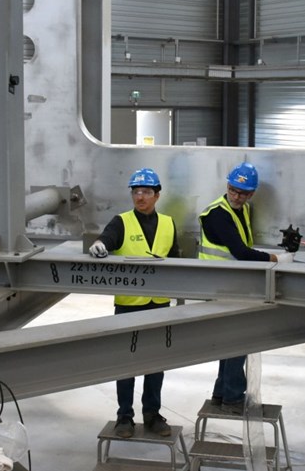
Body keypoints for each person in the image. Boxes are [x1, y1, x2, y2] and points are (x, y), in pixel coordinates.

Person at [89, 167, 179, 438]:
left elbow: (175, 260)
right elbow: (108, 239)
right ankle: (124, 417)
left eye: (146, 192)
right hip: (129, 303)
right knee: (126, 363)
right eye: (136, 191)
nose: (140, 197)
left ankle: (152, 414)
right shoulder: (122, 221)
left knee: (156, 362)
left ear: (157, 195)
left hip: (159, 302)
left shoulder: (168, 223)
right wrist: (100, 245)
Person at [198, 162, 292, 413]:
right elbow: (240, 252)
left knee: (230, 341)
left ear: (251, 194)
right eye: (233, 190)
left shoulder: (243, 209)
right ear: (227, 186)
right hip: (218, 286)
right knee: (237, 340)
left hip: (234, 285)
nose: (237, 196)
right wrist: (276, 259)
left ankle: (221, 393)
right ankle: (233, 398)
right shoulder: (217, 213)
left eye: (243, 193)